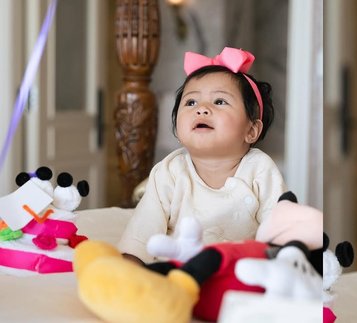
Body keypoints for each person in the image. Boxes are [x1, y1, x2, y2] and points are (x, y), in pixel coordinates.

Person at [118, 47, 286, 264]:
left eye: (219, 102)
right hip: (179, 267)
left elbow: (279, 229)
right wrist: (131, 267)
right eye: (191, 102)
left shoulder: (260, 169)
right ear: (178, 130)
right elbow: (142, 233)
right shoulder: (170, 171)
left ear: (251, 130)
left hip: (236, 270)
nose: (202, 109)